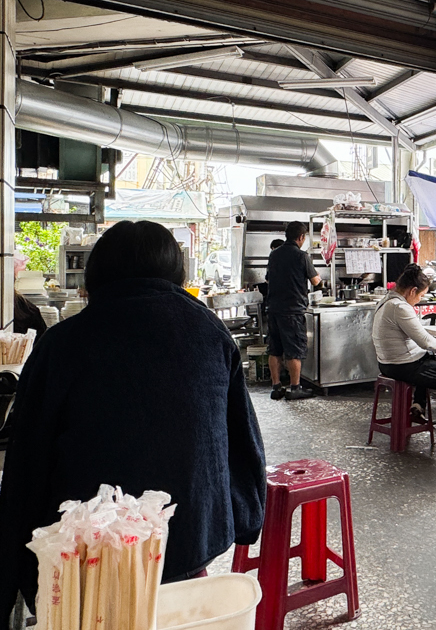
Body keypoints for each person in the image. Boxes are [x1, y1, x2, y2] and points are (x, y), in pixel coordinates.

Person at [0, 220, 267, 624]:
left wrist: (12, 575)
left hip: (85, 560)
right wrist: (245, 520)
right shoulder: (210, 332)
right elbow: (244, 439)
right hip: (188, 541)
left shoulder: (64, 342)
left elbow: (26, 462)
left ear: (95, 275)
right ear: (176, 273)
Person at [372, 264, 436, 448]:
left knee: (430, 359)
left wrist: (434, 349)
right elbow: (423, 340)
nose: (419, 299)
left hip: (387, 363)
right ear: (412, 291)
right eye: (420, 295)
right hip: (403, 366)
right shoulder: (399, 307)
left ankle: (418, 405)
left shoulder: (386, 300)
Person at [266, 221, 321, 400]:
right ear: (301, 237)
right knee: (293, 350)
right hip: (292, 310)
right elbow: (315, 281)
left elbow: (268, 279)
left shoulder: (274, 254)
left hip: (273, 308)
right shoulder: (301, 256)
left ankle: (276, 387)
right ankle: (295, 388)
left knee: (274, 349)